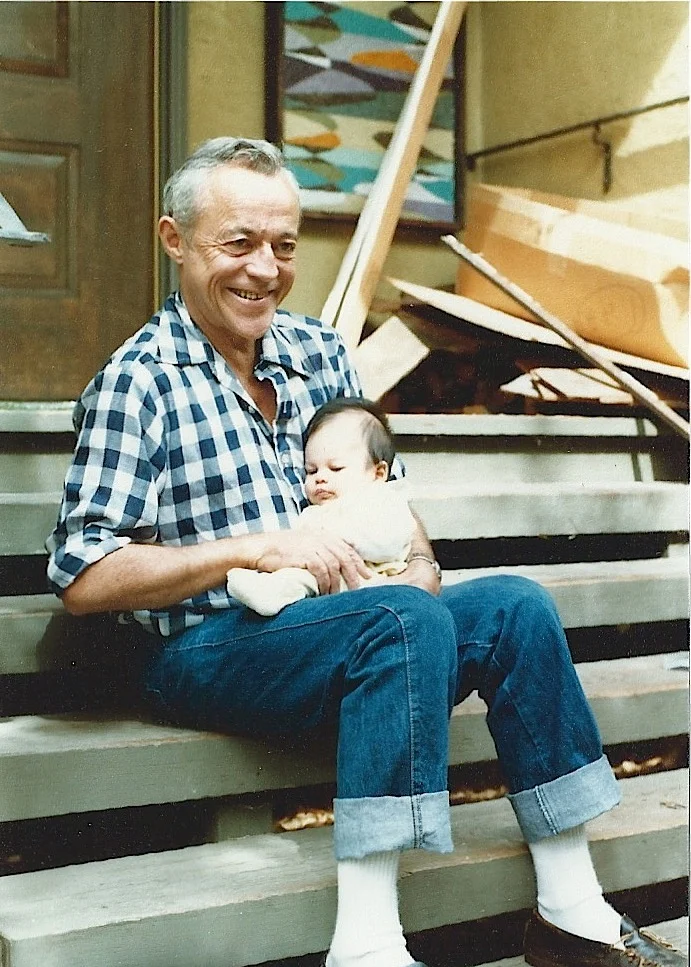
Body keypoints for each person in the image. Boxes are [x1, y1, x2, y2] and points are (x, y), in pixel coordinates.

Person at [46, 137, 686, 967]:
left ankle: (574, 912)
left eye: (283, 244)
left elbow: (393, 502)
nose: (264, 269)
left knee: (513, 607)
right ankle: (368, 947)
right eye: (236, 244)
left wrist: (418, 565)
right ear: (175, 240)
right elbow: (84, 573)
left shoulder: (319, 352)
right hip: (203, 649)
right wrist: (263, 545)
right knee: (396, 619)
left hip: (353, 627)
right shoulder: (140, 379)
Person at [226, 397, 417, 615]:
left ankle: (272, 594)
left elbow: (388, 543)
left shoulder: (383, 500)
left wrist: (338, 537)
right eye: (311, 470)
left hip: (372, 579)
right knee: (299, 576)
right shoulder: (317, 510)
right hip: (330, 584)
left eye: (335, 468)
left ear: (378, 473)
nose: (320, 478)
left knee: (303, 579)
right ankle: (267, 590)